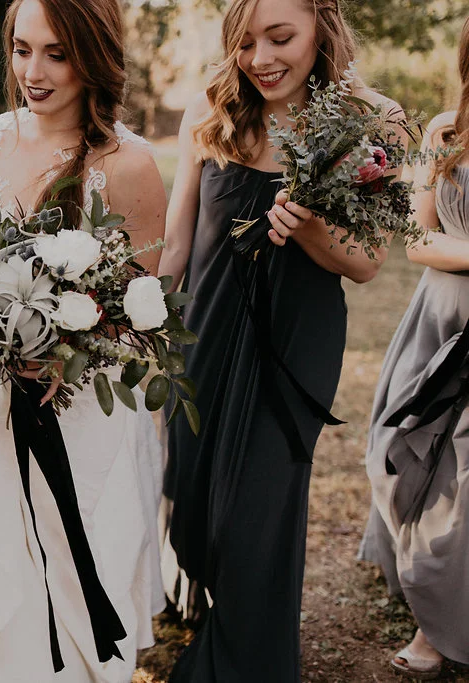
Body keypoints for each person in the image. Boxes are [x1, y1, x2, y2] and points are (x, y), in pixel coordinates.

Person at [157, 0, 403, 680]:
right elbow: (178, 243)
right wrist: (137, 318)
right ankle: (212, 608)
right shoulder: (211, 112)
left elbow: (368, 260)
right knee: (195, 503)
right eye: (246, 42)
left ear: (323, 25)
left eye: (280, 37)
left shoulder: (372, 124)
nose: (261, 58)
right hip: (205, 333)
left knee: (254, 517)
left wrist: (311, 225)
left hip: (293, 344)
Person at [0, 0, 168, 680]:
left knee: (87, 575)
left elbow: (142, 309)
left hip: (88, 414)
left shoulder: (130, 165)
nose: (33, 70)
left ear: (93, 55)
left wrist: (63, 346)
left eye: (56, 53)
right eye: (22, 49)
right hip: (0, 407)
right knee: (17, 578)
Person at [358, 15, 469, 678]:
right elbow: (418, 238)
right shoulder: (445, 133)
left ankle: (442, 628)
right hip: (437, 328)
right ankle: (434, 599)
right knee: (410, 461)